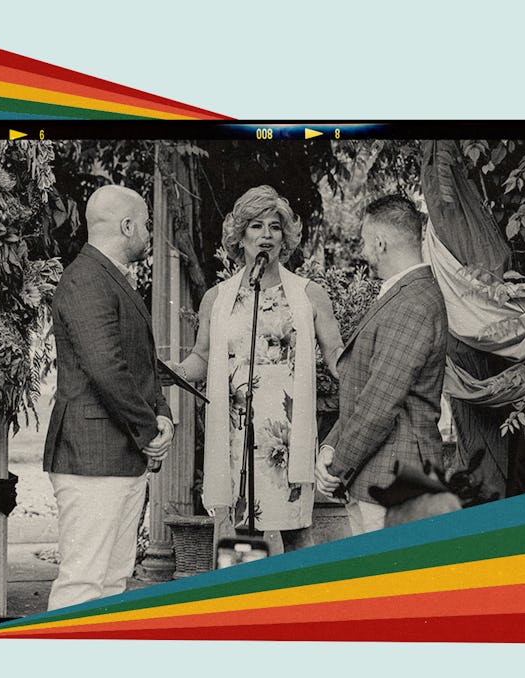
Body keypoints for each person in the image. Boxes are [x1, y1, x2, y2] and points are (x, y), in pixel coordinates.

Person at [164, 185, 343, 553]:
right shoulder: (217, 299)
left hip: (286, 442)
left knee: (297, 537)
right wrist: (177, 371)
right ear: (240, 235)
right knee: (239, 544)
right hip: (234, 440)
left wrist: (368, 375)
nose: (266, 235)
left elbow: (338, 354)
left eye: (274, 227)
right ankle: (245, 609)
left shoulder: (309, 294)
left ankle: (305, 609)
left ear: (284, 237)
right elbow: (201, 356)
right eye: (256, 226)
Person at [42, 185, 174, 610]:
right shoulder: (85, 278)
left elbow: (141, 363)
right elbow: (106, 369)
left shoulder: (109, 278)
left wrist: (163, 415)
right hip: (91, 458)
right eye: (146, 224)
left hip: (118, 459)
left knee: (112, 585)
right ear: (127, 225)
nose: (150, 233)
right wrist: (149, 430)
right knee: (82, 584)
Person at [315, 195, 448, 534]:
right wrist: (331, 444)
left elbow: (378, 404)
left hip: (395, 479)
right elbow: (367, 390)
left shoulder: (412, 302)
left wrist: (336, 467)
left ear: (380, 242)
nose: (363, 250)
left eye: (363, 240)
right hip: (382, 476)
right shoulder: (404, 295)